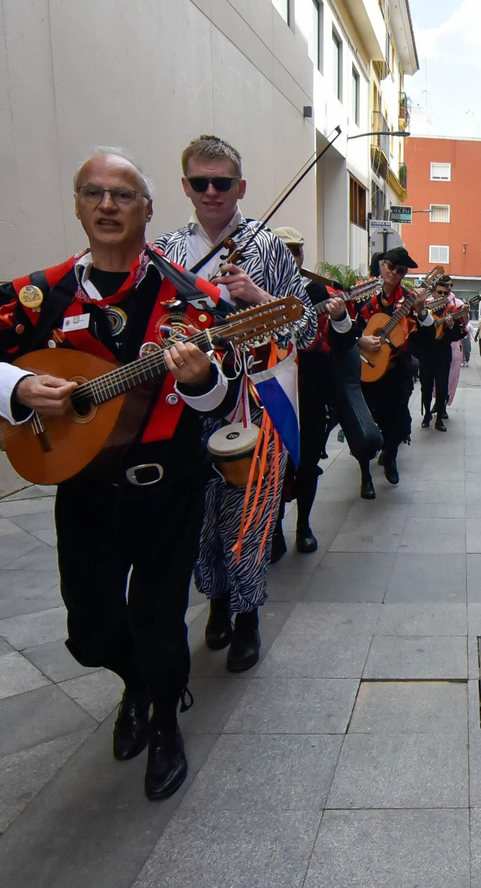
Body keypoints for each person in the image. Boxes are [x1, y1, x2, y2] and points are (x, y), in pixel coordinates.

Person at [0, 149, 240, 801]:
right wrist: (19, 386)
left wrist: (200, 378)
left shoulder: (194, 299)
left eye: (123, 195)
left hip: (168, 485)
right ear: (78, 205)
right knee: (91, 630)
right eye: (93, 193)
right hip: (84, 488)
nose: (108, 205)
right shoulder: (40, 294)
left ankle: (164, 719)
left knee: (159, 620)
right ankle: (136, 682)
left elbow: (222, 401)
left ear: (148, 210)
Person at [152, 136, 319, 676]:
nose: (210, 192)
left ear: (240, 187)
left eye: (221, 182)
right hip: (185, 403)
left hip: (254, 399)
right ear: (185, 187)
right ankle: (217, 603)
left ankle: (247, 618)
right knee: (201, 515)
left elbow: (308, 325)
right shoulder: (168, 250)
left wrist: (256, 297)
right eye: (199, 182)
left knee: (247, 517)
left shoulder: (267, 249)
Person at [270, 227, 382, 543]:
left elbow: (344, 341)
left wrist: (340, 318)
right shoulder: (256, 289)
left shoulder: (318, 292)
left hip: (311, 391)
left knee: (307, 463)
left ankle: (303, 525)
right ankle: (275, 530)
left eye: (297, 250)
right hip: (271, 392)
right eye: (285, 250)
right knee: (273, 467)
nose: (292, 257)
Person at [356, 246, 431, 485]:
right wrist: (360, 339)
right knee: (365, 426)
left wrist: (420, 310)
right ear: (381, 265)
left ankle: (390, 456)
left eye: (401, 271)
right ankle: (365, 476)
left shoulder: (407, 299)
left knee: (398, 422)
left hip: (397, 369)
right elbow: (344, 325)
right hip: (365, 366)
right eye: (392, 267)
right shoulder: (362, 292)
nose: (396, 274)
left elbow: (425, 336)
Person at [415, 274, 464, 431]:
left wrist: (450, 326)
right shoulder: (425, 308)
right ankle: (426, 414)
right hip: (426, 353)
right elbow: (417, 331)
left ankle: (440, 417)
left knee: (442, 385)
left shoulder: (453, 310)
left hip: (443, 353)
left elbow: (458, 335)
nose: (442, 295)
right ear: (434, 293)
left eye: (445, 293)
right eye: (439, 292)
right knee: (426, 386)